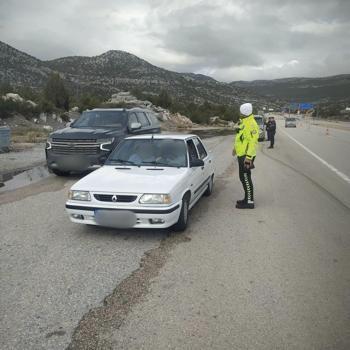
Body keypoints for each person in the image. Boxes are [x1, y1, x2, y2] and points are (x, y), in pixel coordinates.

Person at [233, 103, 259, 209]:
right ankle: (246, 198)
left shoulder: (251, 124)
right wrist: (235, 148)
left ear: (244, 112)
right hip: (241, 154)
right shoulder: (245, 122)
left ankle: (249, 202)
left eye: (241, 111)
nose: (239, 113)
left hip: (246, 156)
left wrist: (248, 157)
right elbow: (241, 138)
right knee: (242, 177)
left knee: (246, 178)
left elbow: (253, 142)